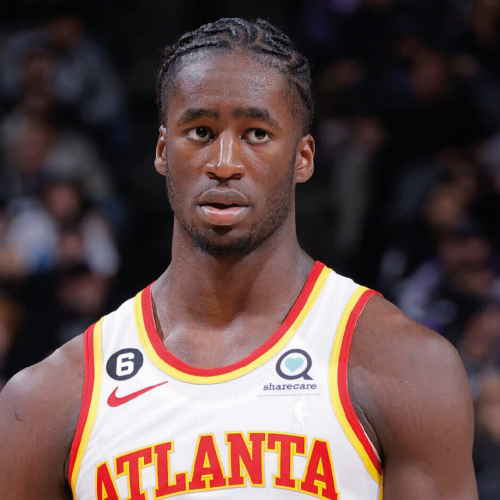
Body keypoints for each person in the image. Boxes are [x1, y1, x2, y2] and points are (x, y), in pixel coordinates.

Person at [0, 18, 477, 500]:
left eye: (256, 134)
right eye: (201, 131)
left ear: (303, 158)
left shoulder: (407, 367)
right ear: (163, 151)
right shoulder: (46, 400)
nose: (224, 163)